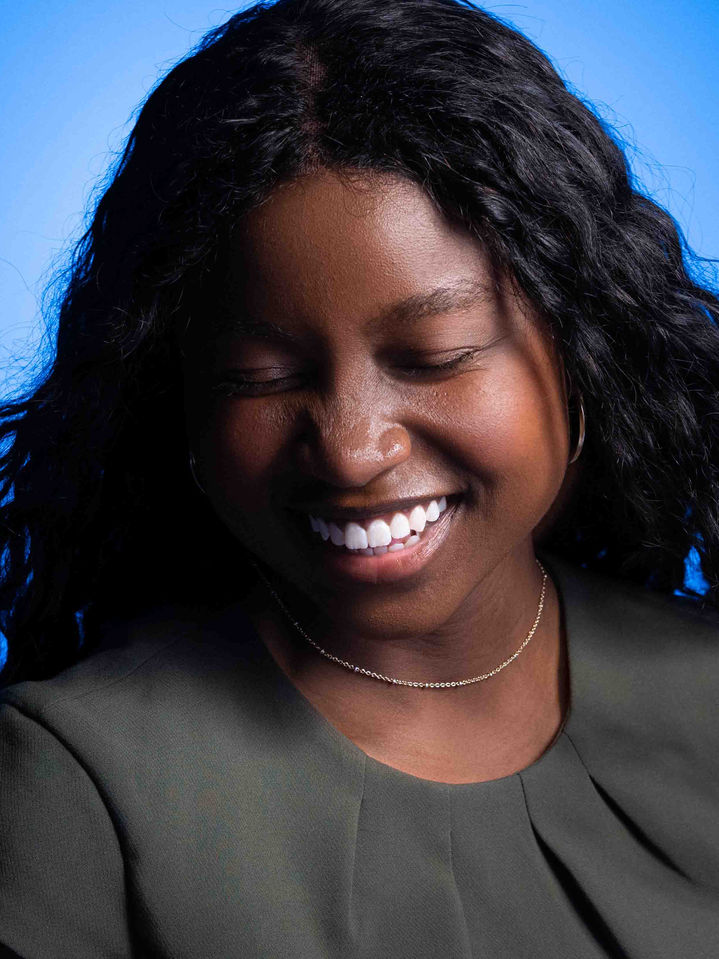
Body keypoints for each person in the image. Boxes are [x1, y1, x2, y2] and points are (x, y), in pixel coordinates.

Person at [1, 0, 718, 955]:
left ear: (584, 351)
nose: (348, 448)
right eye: (263, 377)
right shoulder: (71, 787)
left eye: (434, 354)